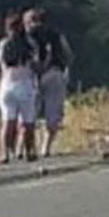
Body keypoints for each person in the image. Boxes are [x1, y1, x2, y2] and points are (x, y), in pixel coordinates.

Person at [24, 8, 74, 158]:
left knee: (29, 113)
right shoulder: (56, 35)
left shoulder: (25, 36)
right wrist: (65, 69)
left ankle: (25, 148)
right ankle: (45, 147)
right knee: (53, 112)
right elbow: (68, 55)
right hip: (54, 73)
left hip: (31, 76)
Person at [0, 14, 39, 163]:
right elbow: (36, 66)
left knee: (8, 122)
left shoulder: (3, 45)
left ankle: (5, 153)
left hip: (7, 86)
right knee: (28, 122)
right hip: (25, 85)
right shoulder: (29, 44)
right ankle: (29, 151)